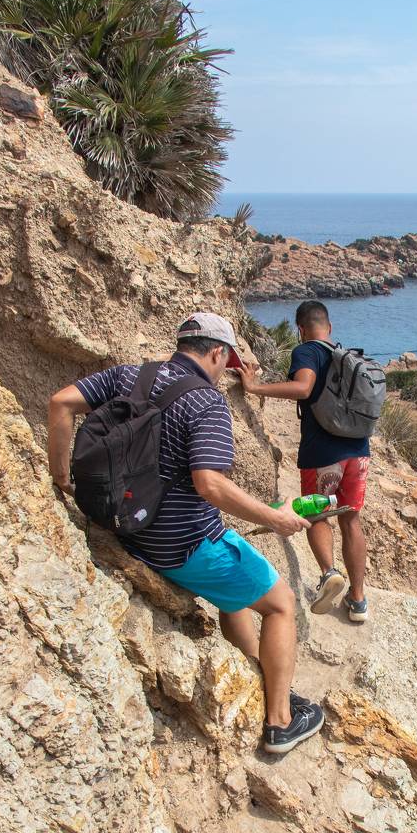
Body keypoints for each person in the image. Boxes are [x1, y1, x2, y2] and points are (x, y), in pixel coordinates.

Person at [47, 311, 324, 756]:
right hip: (182, 545)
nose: (225, 368)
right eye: (227, 360)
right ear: (217, 353)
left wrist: (62, 479)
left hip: (127, 527)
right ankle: (280, 722)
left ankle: (261, 672)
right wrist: (275, 519)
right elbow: (209, 484)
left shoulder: (130, 376)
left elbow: (60, 403)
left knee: (235, 596)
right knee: (281, 604)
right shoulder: (206, 402)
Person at [239, 300, 370, 623]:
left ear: (300, 329)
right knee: (351, 519)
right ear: (330, 326)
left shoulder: (307, 351)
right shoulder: (346, 355)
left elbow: (303, 387)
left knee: (318, 513)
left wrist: (255, 387)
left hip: (323, 453)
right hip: (358, 451)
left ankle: (329, 574)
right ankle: (358, 600)